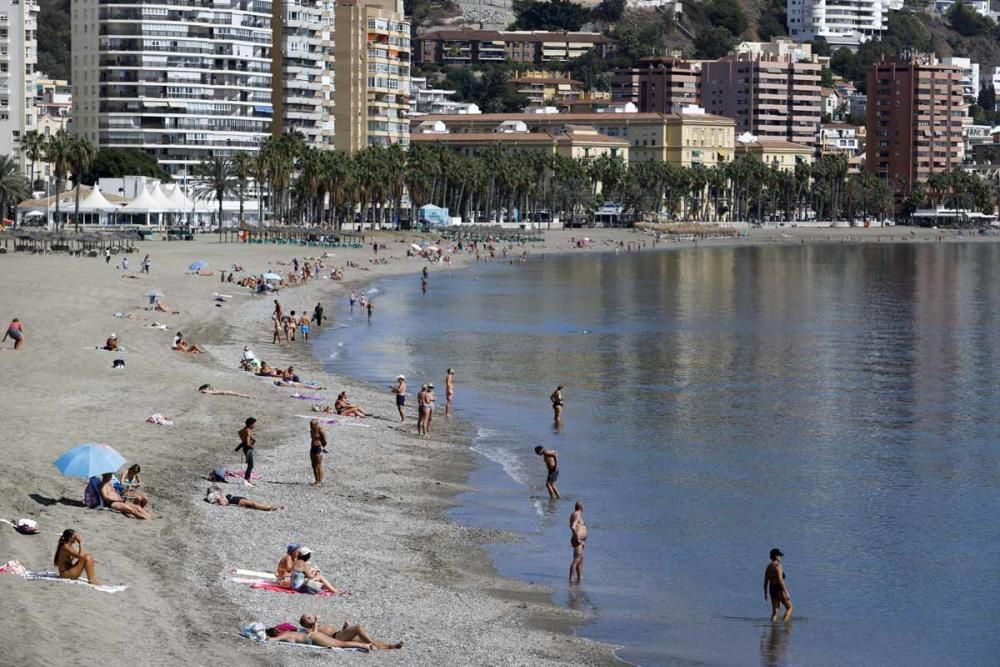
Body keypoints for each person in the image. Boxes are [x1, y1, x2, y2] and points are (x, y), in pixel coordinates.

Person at [299, 615, 403, 650]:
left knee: (364, 639)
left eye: (310, 616)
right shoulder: (310, 630)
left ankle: (390, 646)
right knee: (358, 628)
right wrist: (315, 623)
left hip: (340, 634)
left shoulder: (319, 625)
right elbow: (315, 636)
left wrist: (345, 628)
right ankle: (373, 644)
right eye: (308, 618)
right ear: (306, 624)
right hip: (337, 638)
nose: (311, 617)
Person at [765, 548, 793, 622]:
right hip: (778, 588)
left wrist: (766, 593)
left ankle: (773, 627)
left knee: (775, 612)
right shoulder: (778, 566)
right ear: (776, 556)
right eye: (780, 556)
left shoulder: (768, 567)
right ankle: (784, 624)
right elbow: (781, 581)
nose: (781, 557)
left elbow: (765, 581)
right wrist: (787, 593)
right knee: (790, 608)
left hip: (772, 589)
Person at [205, 487, 283, 511]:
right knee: (253, 504)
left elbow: (221, 500)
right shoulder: (214, 497)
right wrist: (224, 501)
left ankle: (271, 507)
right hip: (235, 501)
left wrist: (222, 497)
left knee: (253, 502)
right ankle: (269, 508)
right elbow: (223, 503)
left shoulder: (214, 496)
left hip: (233, 498)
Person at [235, 417, 257, 487]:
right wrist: (251, 446)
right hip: (248, 449)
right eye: (254, 424)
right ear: (250, 424)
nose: (254, 425)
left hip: (245, 448)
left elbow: (241, 435)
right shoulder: (248, 431)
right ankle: (247, 480)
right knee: (251, 465)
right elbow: (247, 443)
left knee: (250, 465)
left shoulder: (244, 429)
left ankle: (247, 479)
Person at [569, 501, 587, 583]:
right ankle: (571, 579)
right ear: (581, 507)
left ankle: (579, 579)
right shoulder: (577, 514)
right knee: (576, 559)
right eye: (583, 506)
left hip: (580, 540)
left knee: (580, 559)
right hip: (578, 540)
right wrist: (577, 538)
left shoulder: (576, 514)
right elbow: (573, 527)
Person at [309, 419, 327, 486]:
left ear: (316, 425)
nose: (310, 426)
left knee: (319, 465)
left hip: (318, 448)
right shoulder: (311, 430)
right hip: (312, 448)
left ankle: (320, 481)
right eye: (310, 425)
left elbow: (325, 440)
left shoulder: (320, 430)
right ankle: (316, 480)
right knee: (313, 465)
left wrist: (322, 448)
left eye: (312, 425)